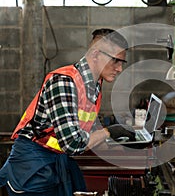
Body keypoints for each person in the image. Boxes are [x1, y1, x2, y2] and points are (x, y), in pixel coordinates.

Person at [0, 28, 136, 195]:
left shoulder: (94, 85)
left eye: (122, 62)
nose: (120, 68)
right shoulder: (64, 82)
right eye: (116, 61)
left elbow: (83, 128)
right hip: (32, 163)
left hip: (56, 158)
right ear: (95, 55)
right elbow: (72, 144)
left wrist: (121, 140)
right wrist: (108, 132)